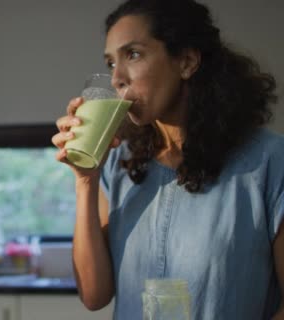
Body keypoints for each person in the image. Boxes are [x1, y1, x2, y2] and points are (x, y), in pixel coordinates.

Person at [52, 0, 283, 319]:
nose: (117, 78)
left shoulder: (270, 161)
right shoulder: (119, 164)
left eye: (132, 54)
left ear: (186, 61)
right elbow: (94, 295)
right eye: (110, 63)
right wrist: (85, 181)